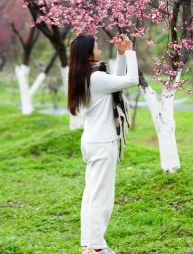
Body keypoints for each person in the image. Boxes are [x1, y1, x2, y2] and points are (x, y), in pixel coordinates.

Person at [68, 34, 138, 254]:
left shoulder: (84, 75)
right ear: (88, 54)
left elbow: (115, 83)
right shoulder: (96, 78)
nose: (99, 50)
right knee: (102, 198)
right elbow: (131, 81)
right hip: (102, 143)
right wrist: (130, 52)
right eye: (97, 48)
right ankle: (97, 248)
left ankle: (90, 245)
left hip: (91, 141)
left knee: (91, 196)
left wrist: (120, 55)